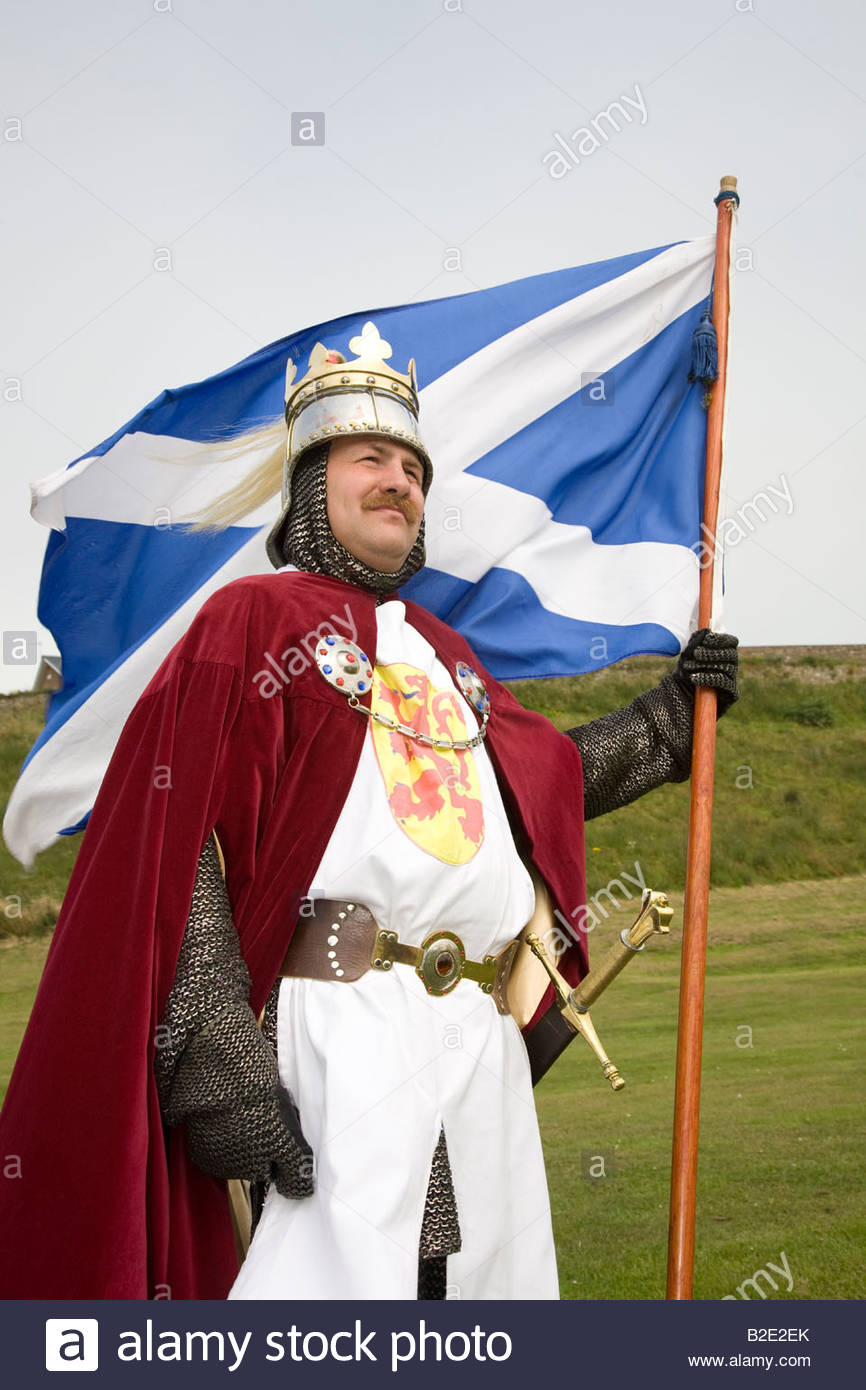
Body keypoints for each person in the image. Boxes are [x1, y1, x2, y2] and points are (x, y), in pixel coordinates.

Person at [0, 324, 738, 1301]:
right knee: (327, 1309)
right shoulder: (250, 623)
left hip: (470, 1038)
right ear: (313, 485)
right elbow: (182, 841)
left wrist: (663, 725)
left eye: (411, 469)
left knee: (469, 1299)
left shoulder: (440, 652)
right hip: (332, 1028)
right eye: (369, 460)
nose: (397, 481)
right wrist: (216, 1045)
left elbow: (529, 780)